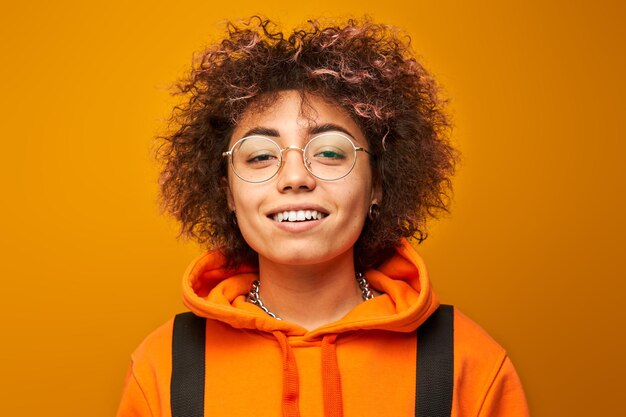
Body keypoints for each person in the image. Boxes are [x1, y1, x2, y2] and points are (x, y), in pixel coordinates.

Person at [116, 16, 530, 417]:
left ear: (378, 186)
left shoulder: (467, 360)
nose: (295, 177)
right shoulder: (164, 366)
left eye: (330, 152)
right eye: (261, 156)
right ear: (226, 192)